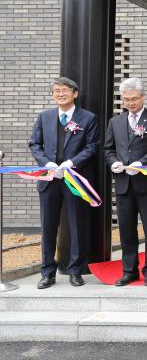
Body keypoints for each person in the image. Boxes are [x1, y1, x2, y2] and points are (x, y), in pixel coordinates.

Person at [28, 76, 99, 288]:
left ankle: (75, 271)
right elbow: (35, 144)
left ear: (75, 94)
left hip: (74, 178)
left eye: (65, 90)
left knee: (78, 225)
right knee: (48, 227)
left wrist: (72, 162)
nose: (60, 93)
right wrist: (46, 164)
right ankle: (47, 272)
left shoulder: (87, 118)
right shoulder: (45, 117)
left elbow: (92, 146)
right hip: (50, 179)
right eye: (56, 91)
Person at [103, 78, 147, 286]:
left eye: (134, 99)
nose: (130, 103)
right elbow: (108, 149)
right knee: (126, 229)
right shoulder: (115, 122)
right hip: (123, 183)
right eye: (126, 99)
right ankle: (129, 270)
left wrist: (142, 163)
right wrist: (113, 163)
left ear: (143, 97)